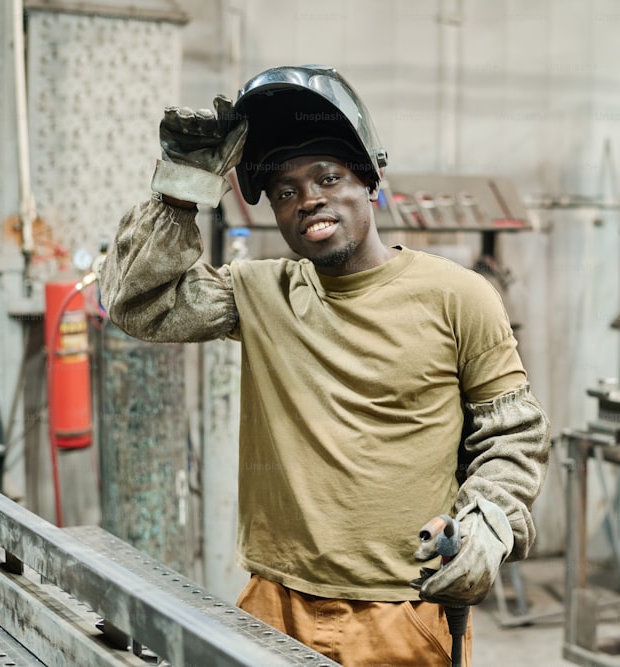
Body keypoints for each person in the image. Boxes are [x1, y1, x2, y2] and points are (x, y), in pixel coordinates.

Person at [99, 64, 550, 666]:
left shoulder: (459, 296)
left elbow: (514, 433)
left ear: (371, 181)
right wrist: (181, 190)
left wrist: (490, 518)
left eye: (328, 177)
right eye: (285, 191)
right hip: (273, 603)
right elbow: (134, 303)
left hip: (405, 609)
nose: (308, 197)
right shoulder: (257, 292)